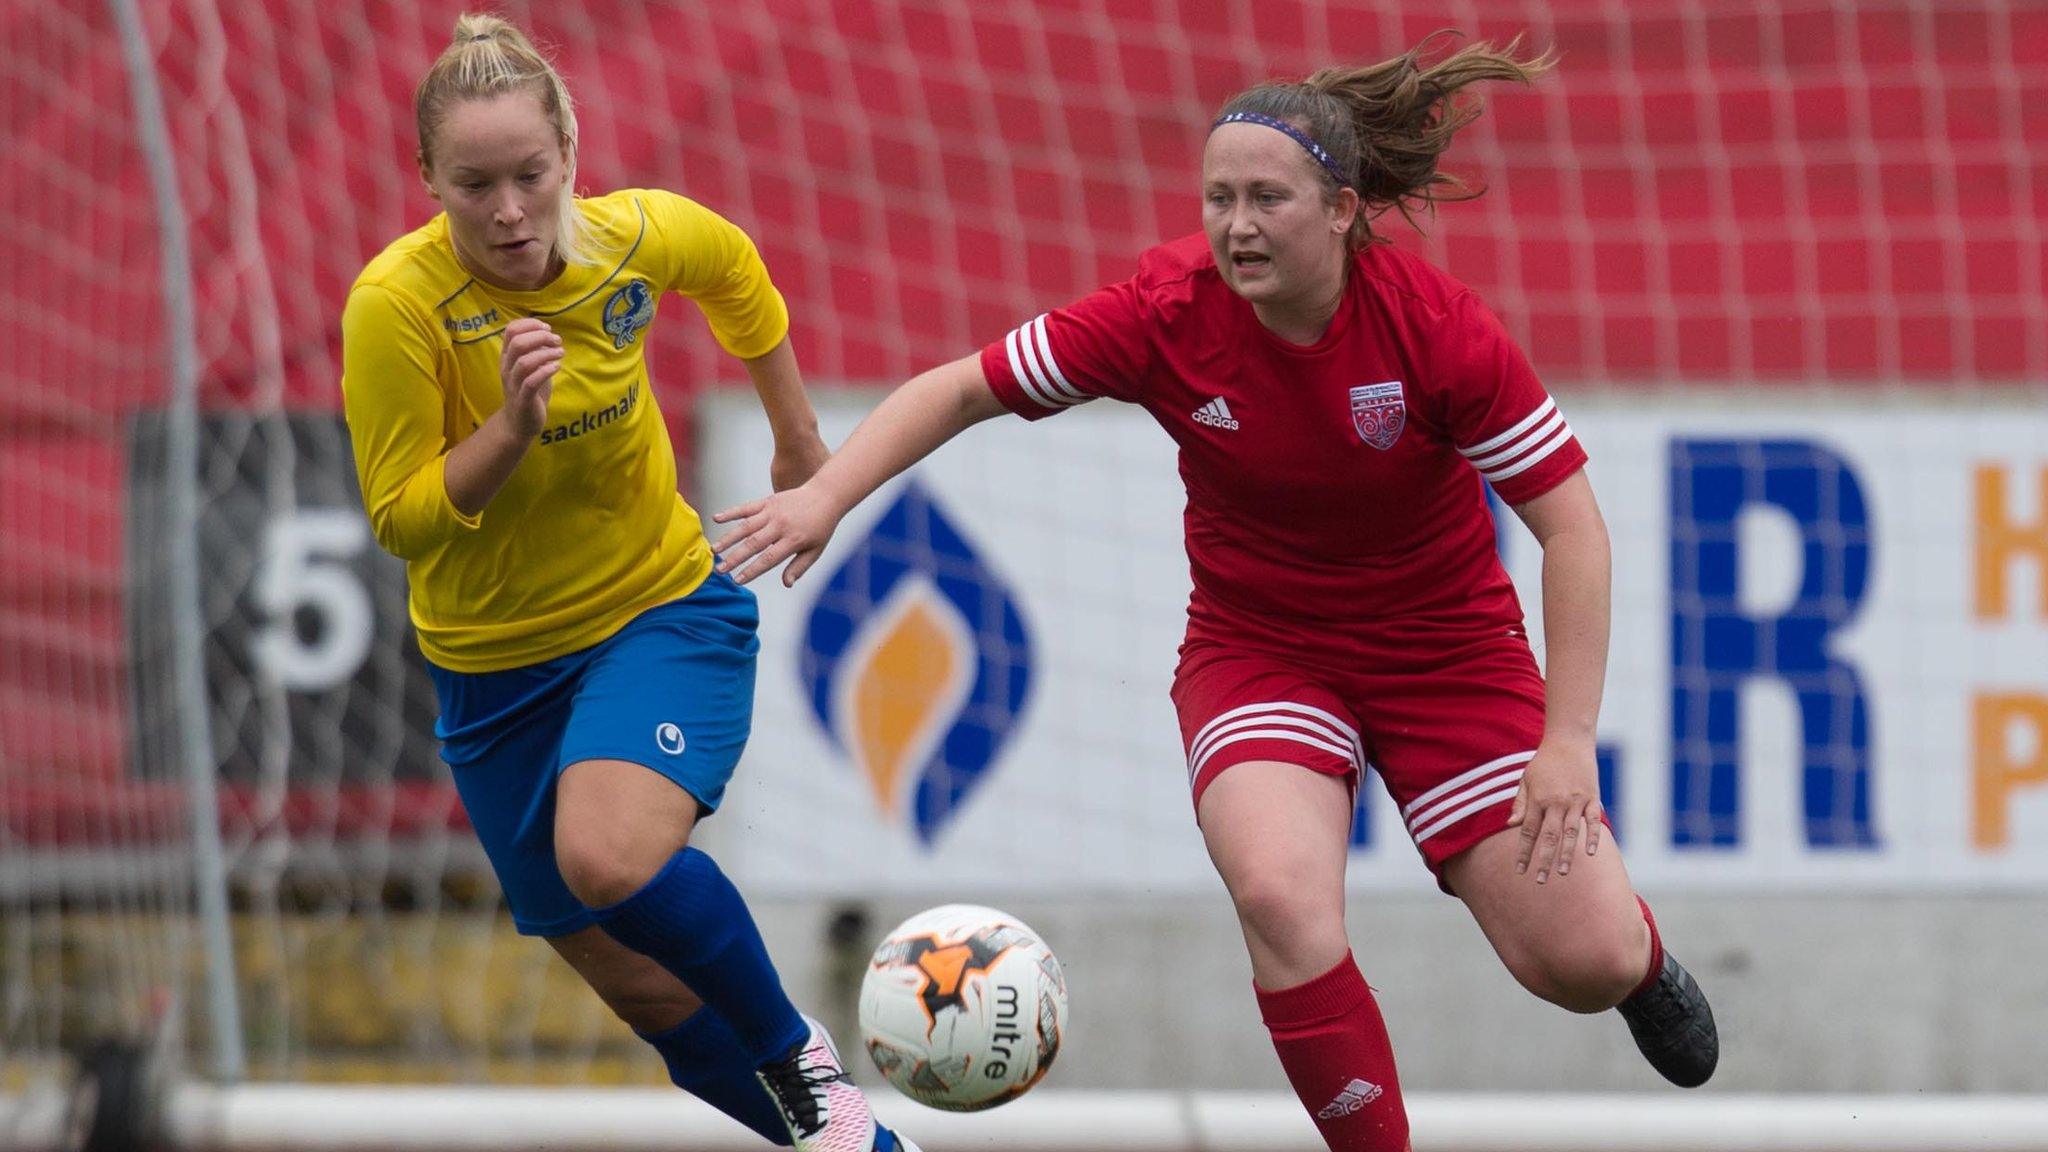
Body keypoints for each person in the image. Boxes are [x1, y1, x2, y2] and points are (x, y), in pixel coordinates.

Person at [711, 32, 1718, 1152]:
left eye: (1266, 199)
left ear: (1339, 210)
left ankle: (1638, 961)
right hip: (1262, 650)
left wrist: (1566, 740)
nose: (1235, 224)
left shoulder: (1436, 332)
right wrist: (828, 496)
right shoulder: (1161, 309)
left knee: (1576, 966)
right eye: (1217, 196)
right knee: (1279, 898)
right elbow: (959, 390)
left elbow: (1571, 527)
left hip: (1447, 655)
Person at [339, 15, 917, 1152]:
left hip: (657, 610)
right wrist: (509, 427)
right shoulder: (394, 306)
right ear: (426, 179)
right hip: (490, 675)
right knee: (644, 991)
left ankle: (801, 1062)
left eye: (529, 177)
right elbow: (401, 520)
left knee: (606, 858)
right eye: (473, 185)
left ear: (569, 153)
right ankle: (864, 1147)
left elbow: (736, 272)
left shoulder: (634, 236)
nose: (507, 210)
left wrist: (800, 446)